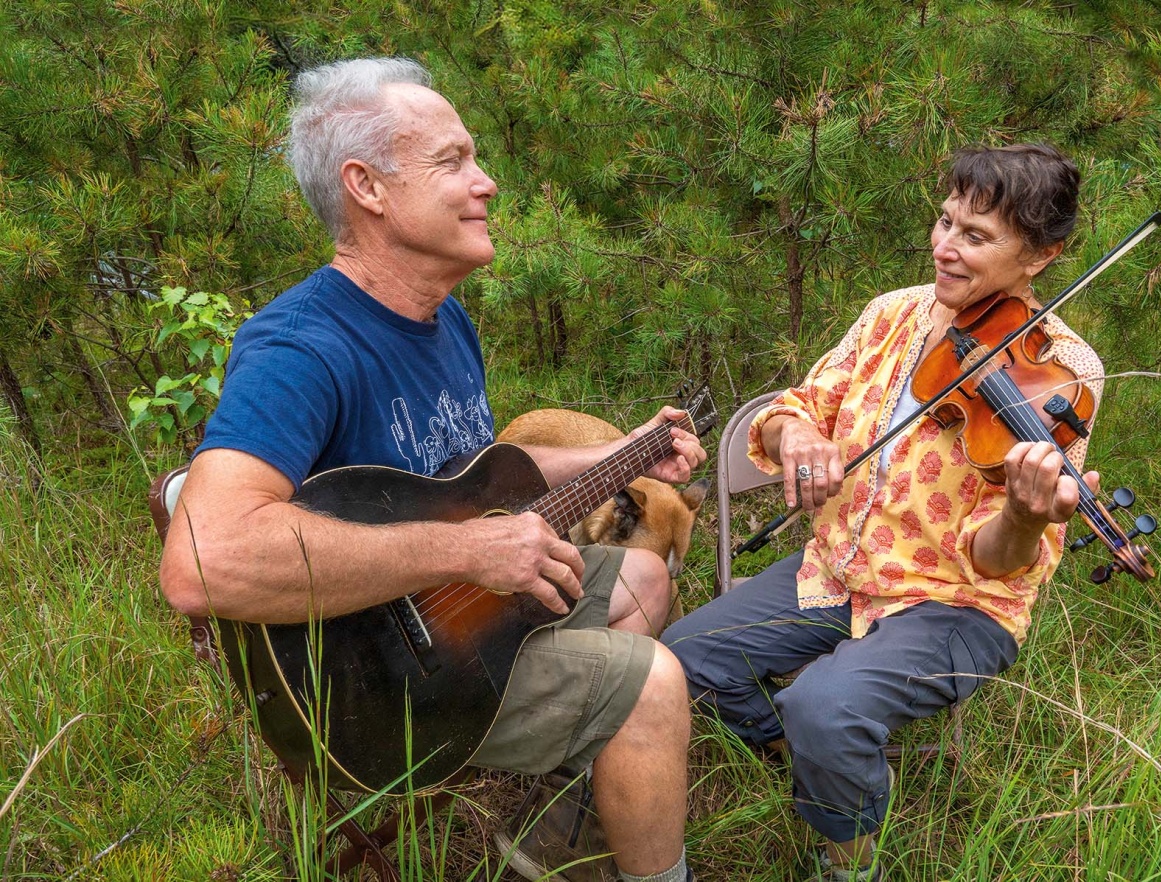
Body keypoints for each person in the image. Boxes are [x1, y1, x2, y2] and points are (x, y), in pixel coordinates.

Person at [159, 57, 704, 882]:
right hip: (366, 690)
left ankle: (572, 812)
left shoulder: (441, 321)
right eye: (453, 161)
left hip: (466, 626)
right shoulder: (300, 348)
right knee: (655, 687)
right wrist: (465, 555)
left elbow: (479, 480)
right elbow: (205, 562)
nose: (486, 183)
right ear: (367, 187)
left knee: (646, 582)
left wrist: (619, 454)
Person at [662, 143, 1102, 881]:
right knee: (683, 662)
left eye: (975, 236)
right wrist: (796, 430)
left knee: (827, 710)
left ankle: (847, 858)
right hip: (836, 571)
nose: (944, 247)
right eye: (944, 221)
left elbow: (1000, 562)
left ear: (1041, 257)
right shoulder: (891, 314)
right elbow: (793, 408)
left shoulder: (1063, 371)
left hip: (956, 601)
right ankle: (811, 761)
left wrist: (1026, 518)